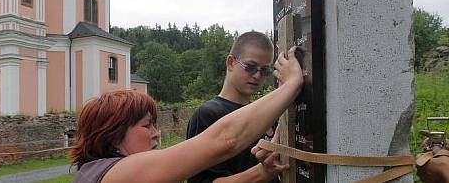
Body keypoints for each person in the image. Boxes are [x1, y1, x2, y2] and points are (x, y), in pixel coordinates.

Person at [71, 46, 303, 183]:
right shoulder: (114, 175)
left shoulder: (93, 173)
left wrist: (261, 172)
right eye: (146, 126)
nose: (156, 134)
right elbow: (225, 141)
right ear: (113, 134)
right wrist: (291, 84)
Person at [186, 31, 280, 183]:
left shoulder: (265, 115)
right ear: (230, 62)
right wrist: (261, 174)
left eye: (264, 70)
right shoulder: (207, 115)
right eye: (250, 67)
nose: (257, 76)